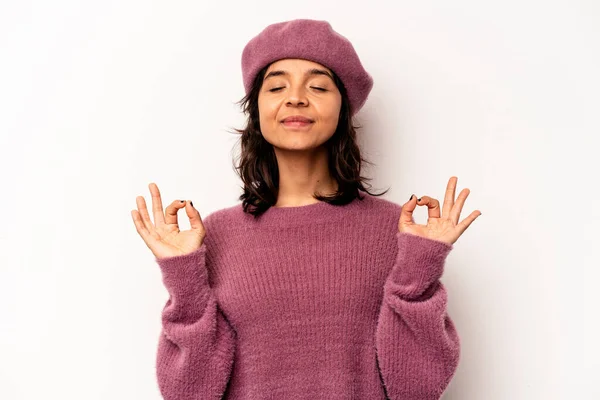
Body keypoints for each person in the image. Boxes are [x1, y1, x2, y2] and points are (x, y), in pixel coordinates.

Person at [131, 18, 481, 400]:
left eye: (317, 86)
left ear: (343, 108)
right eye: (277, 86)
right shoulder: (213, 236)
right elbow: (188, 394)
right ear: (257, 110)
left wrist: (419, 268)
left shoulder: (397, 230)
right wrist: (184, 279)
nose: (295, 97)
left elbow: (417, 389)